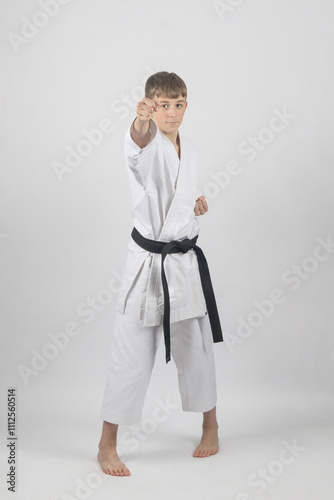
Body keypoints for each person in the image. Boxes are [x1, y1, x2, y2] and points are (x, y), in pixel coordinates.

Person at [97, 71, 223, 477]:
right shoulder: (148, 139)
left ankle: (210, 425)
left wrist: (195, 207)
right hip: (148, 263)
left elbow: (177, 200)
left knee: (198, 347)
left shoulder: (192, 149)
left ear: (187, 105)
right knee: (130, 351)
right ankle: (107, 443)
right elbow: (136, 152)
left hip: (183, 260)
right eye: (163, 104)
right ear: (150, 104)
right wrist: (140, 122)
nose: (172, 112)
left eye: (179, 103)